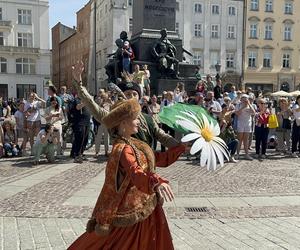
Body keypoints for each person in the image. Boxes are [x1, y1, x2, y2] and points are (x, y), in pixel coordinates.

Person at [68, 98, 186, 250]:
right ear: (123, 123)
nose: (139, 122)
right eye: (135, 119)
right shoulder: (122, 149)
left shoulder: (134, 143)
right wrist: (156, 182)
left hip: (145, 205)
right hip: (132, 211)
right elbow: (136, 173)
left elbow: (156, 159)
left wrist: (182, 148)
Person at [71, 61, 180, 150]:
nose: (131, 96)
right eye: (128, 94)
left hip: (145, 168)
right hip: (123, 169)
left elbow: (163, 137)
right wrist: (79, 83)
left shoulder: (148, 119)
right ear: (122, 97)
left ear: (139, 97)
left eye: (135, 94)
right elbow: (92, 104)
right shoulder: (115, 117)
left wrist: (180, 146)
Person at [70, 96, 91, 163]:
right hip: (80, 122)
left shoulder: (86, 100)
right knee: (79, 139)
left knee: (85, 139)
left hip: (87, 122)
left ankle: (80, 154)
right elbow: (78, 107)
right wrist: (85, 102)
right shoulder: (77, 100)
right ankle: (76, 155)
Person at [235, 94, 256, 160]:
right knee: (239, 140)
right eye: (243, 99)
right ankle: (237, 154)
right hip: (240, 124)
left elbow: (254, 112)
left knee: (246, 140)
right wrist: (243, 107)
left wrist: (249, 104)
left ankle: (246, 154)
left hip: (248, 124)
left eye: (246, 99)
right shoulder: (238, 105)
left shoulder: (250, 106)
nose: (245, 100)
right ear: (241, 99)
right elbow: (237, 113)